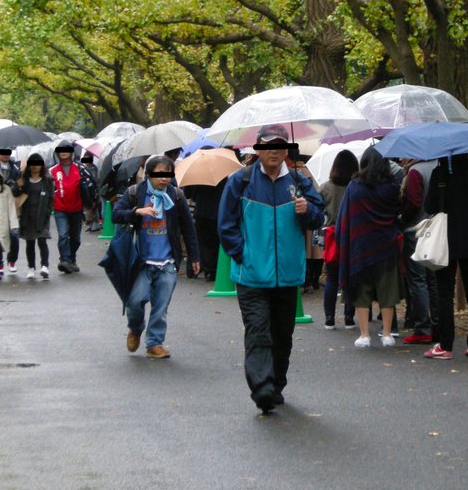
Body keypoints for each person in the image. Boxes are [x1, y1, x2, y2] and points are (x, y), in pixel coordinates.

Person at [217, 124, 324, 413]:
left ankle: (276, 384)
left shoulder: (300, 182)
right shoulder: (240, 181)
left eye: (279, 145)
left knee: (283, 334)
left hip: (288, 274)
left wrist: (307, 211)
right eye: (267, 146)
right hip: (251, 275)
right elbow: (225, 224)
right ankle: (261, 387)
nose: (273, 151)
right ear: (258, 149)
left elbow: (318, 218)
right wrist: (242, 254)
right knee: (258, 330)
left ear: (287, 150)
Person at [112, 155, 200, 358]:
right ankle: (135, 328)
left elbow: (188, 228)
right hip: (141, 260)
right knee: (135, 301)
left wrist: (194, 257)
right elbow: (116, 213)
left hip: (167, 260)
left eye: (168, 174)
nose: (164, 179)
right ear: (149, 174)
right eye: (159, 174)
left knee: (161, 305)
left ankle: (154, 343)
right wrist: (137, 212)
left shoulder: (176, 196)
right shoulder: (135, 192)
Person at [422, 153, 468, 361]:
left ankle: (445, 345)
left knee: (445, 292)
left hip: (446, 240)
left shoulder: (440, 173)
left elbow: (429, 206)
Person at [335, 146, 402, 349]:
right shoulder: (392, 187)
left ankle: (364, 335)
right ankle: (388, 334)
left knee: (361, 290)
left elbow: (344, 217)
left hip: (360, 246)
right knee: (387, 290)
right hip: (387, 246)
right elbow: (400, 211)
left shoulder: (355, 186)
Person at [399, 158, 439, 344]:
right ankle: (438, 325)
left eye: (404, 153)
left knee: (417, 280)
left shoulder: (416, 171)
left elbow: (414, 202)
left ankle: (423, 327)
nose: (400, 158)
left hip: (416, 230)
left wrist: (401, 219)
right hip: (436, 230)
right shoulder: (440, 166)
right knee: (433, 280)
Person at [319, 150, 359, 329]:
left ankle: (329, 317)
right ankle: (349, 316)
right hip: (353, 235)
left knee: (331, 278)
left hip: (332, 236)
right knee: (351, 277)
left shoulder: (326, 187)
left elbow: (319, 211)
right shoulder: (357, 186)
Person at [13, 153, 54, 280]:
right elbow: (16, 194)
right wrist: (18, 186)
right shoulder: (24, 179)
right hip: (27, 215)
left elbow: (51, 198)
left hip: (42, 215)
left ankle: (45, 266)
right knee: (30, 242)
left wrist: (47, 212)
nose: (35, 167)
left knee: (42, 240)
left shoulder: (47, 180)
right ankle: (31, 268)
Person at [50, 141, 84, 273]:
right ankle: (64, 260)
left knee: (75, 238)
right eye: (61, 150)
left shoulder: (80, 169)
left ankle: (72, 258)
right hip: (60, 208)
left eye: (66, 149)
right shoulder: (52, 171)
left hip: (77, 208)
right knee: (63, 235)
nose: (63, 152)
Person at [0, 148, 21, 273]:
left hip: (12, 206)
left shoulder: (15, 168)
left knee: (14, 235)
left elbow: (20, 187)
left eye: (8, 153)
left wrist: (14, 185)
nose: (6, 155)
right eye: (3, 152)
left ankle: (12, 260)